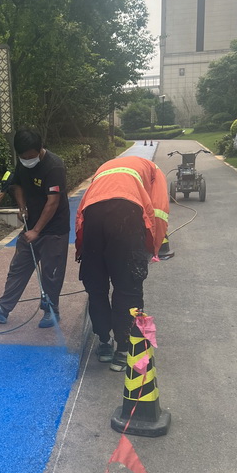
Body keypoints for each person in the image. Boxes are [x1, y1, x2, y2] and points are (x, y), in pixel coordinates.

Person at [75, 155, 169, 371]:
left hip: (93, 214)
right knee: (128, 285)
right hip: (127, 213)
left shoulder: (105, 168)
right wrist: (150, 250)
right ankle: (124, 350)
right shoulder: (154, 171)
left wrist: (83, 251)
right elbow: (159, 212)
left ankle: (104, 343)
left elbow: (81, 212)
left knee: (96, 285)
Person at [0, 127, 70, 328]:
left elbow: (53, 202)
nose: (27, 160)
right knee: (18, 266)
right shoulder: (22, 162)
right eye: (23, 157)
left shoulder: (54, 166)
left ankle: (51, 311)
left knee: (51, 272)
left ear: (40, 148)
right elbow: (17, 185)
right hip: (32, 223)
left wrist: (37, 231)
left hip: (54, 228)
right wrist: (22, 207)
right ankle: (3, 307)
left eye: (30, 156)